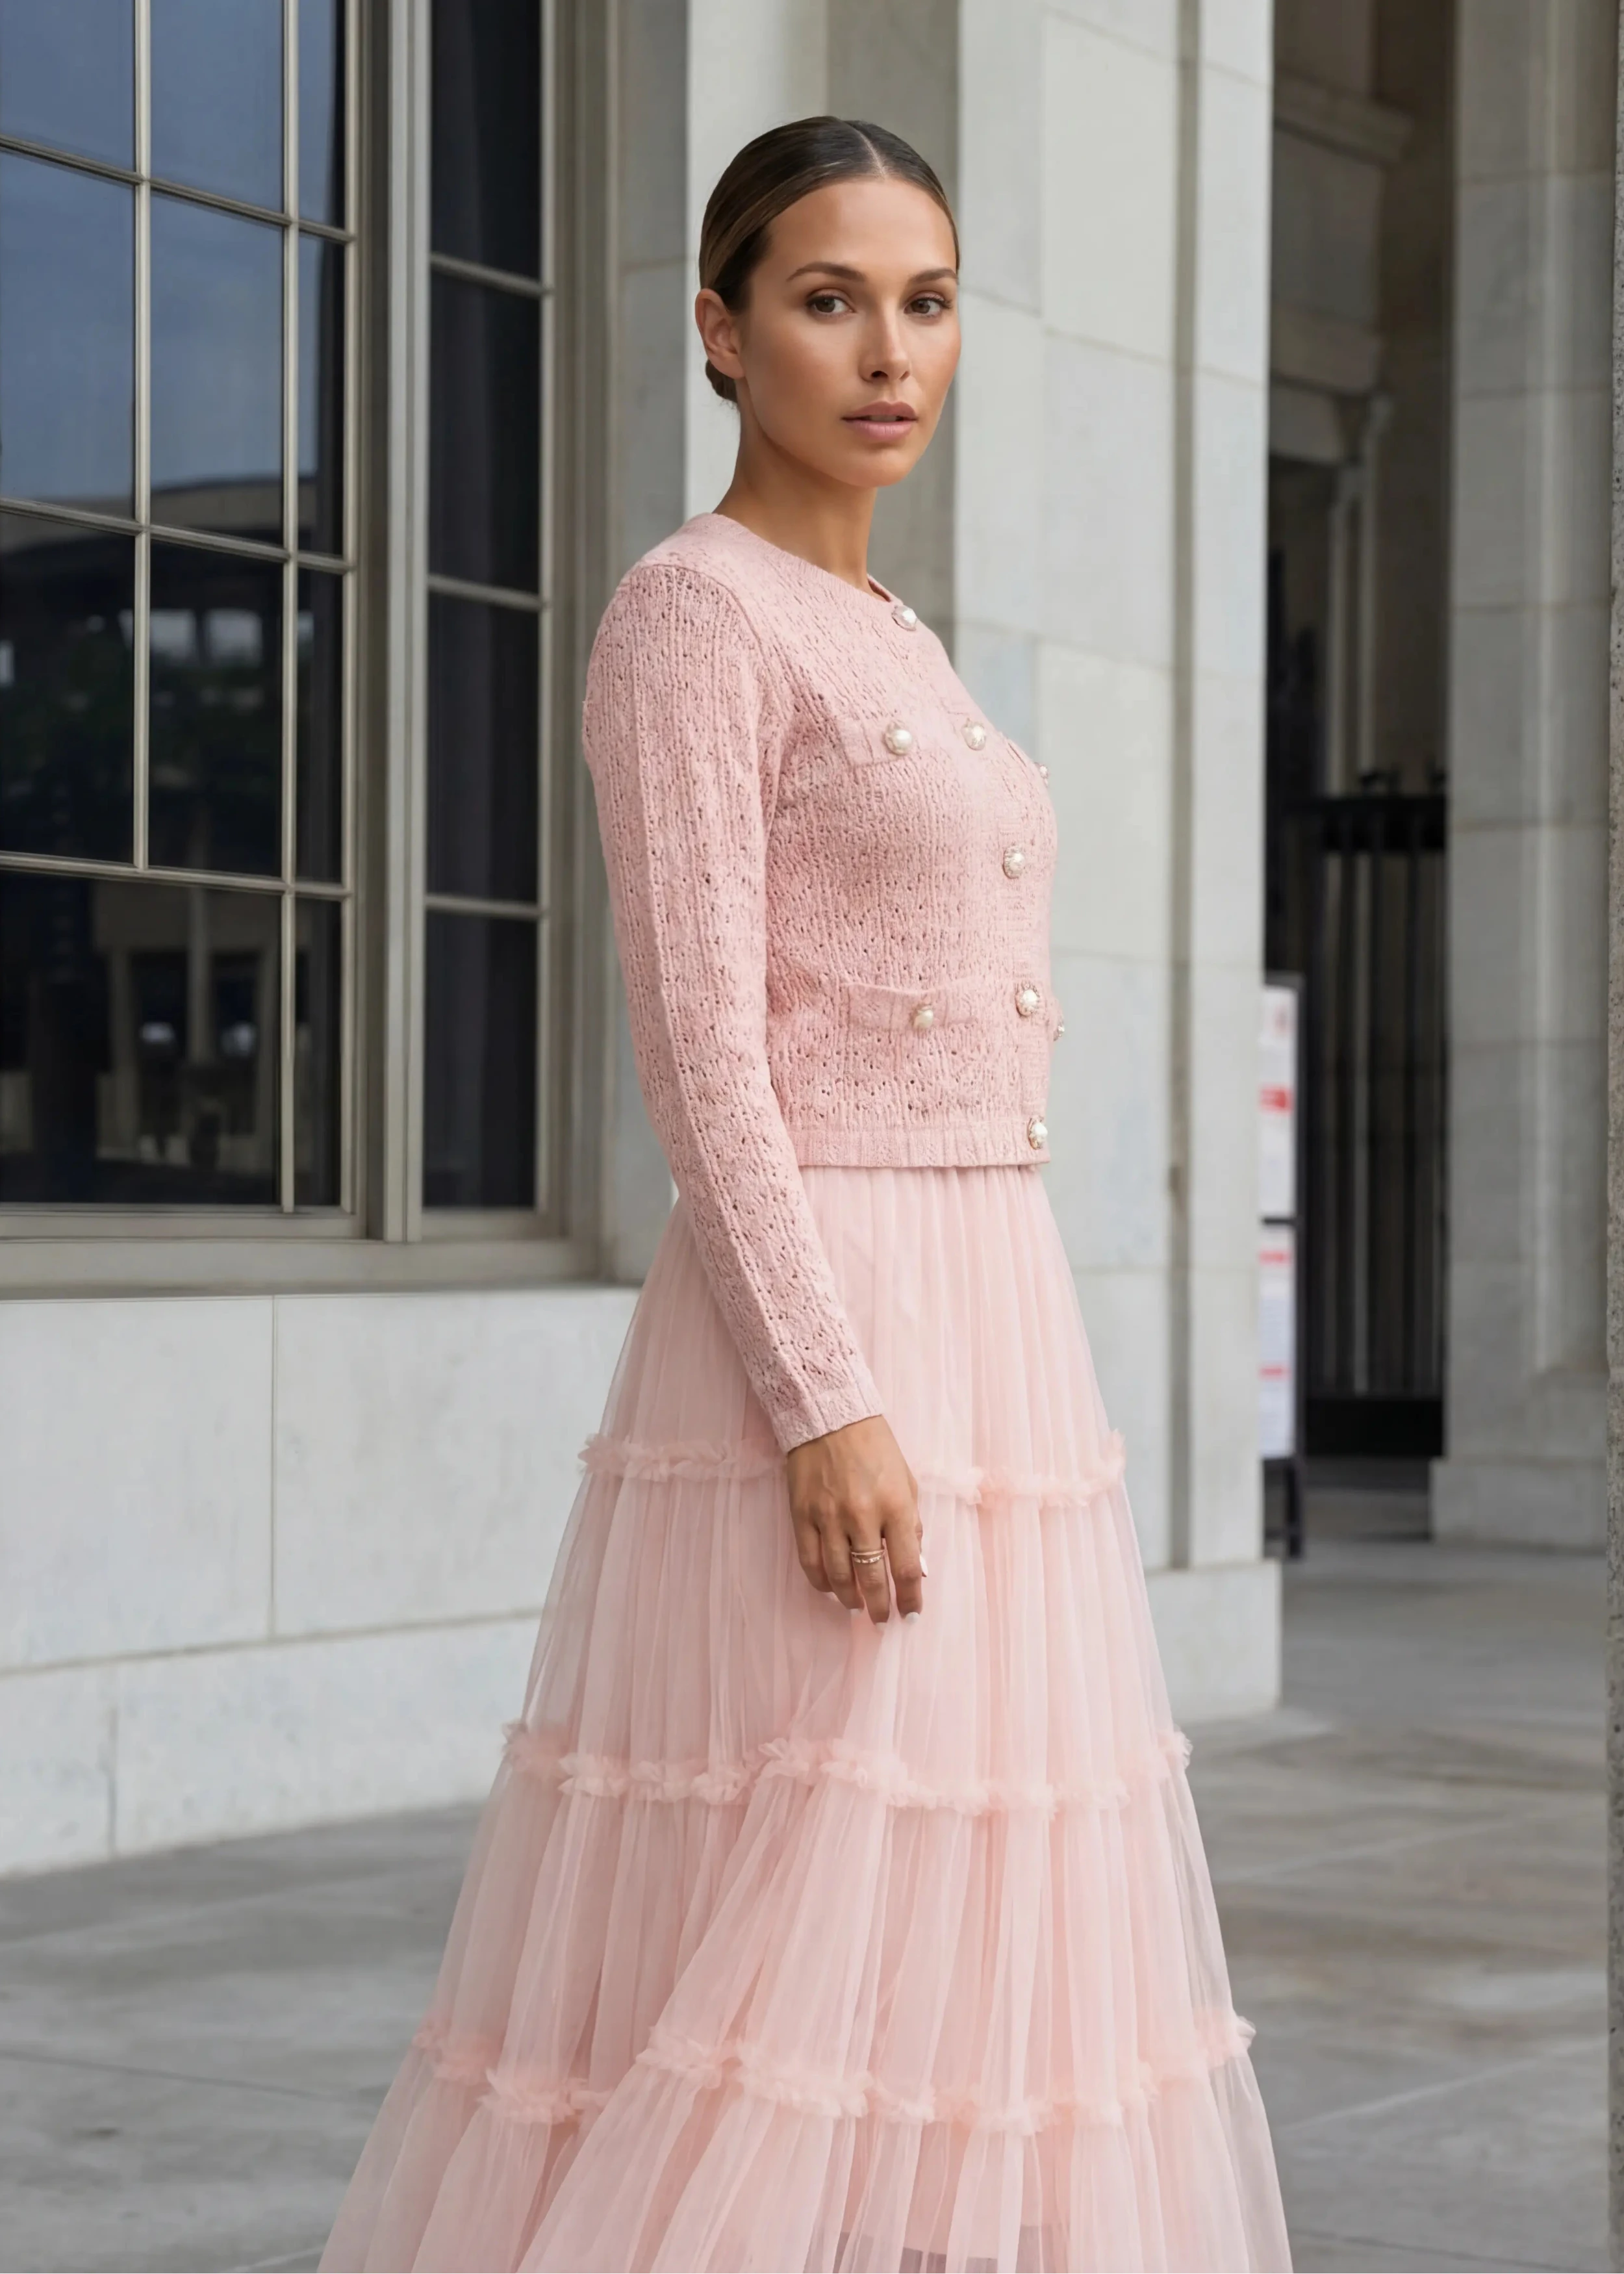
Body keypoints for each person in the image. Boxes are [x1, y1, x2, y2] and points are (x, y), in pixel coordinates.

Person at [318, 115, 1294, 2274]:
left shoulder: (892, 626)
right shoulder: (692, 615)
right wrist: (820, 1394)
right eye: (827, 298)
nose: (887, 352)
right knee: (799, 1875)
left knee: (960, 1895)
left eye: (925, 302)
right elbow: (698, 1051)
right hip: (827, 1304)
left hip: (991, 1305)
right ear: (716, 330)